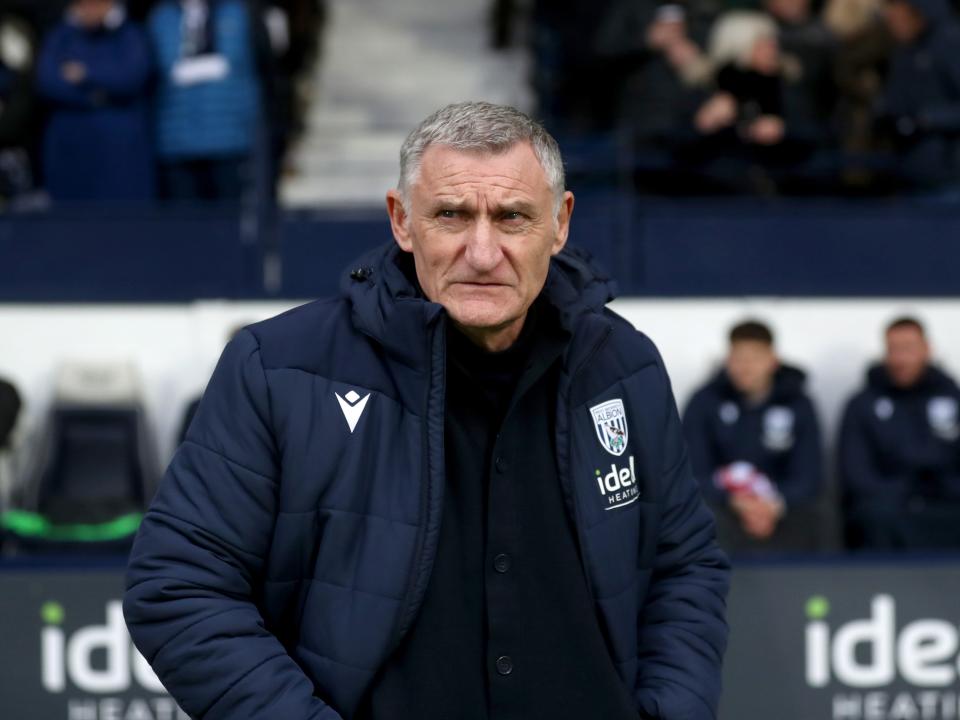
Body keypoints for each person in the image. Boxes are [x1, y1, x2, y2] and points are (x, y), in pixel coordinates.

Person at [124, 102, 729, 720]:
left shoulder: (625, 365)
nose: (483, 250)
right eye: (452, 215)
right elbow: (178, 586)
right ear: (402, 221)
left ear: (560, 222)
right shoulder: (278, 368)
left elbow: (684, 566)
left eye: (513, 217)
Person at [683, 320, 824, 554]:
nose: (745, 367)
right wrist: (734, 501)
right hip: (724, 505)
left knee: (811, 515)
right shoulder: (704, 402)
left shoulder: (799, 404)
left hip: (780, 508)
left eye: (754, 358)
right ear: (728, 360)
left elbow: (810, 475)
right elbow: (691, 471)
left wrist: (774, 505)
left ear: (773, 360)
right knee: (702, 515)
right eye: (738, 358)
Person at [839, 317, 960, 550]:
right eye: (893, 350)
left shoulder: (953, 399)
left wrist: (937, 490)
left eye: (908, 349)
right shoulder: (863, 404)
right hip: (889, 505)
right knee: (874, 515)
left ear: (927, 350)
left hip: (946, 501)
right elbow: (856, 473)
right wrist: (906, 493)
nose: (900, 359)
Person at [35, 0, 154, 202]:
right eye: (84, 4)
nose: (90, 9)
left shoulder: (131, 35)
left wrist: (86, 74)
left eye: (97, 3)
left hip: (120, 152)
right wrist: (101, 95)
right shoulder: (61, 36)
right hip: (71, 149)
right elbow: (47, 81)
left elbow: (131, 78)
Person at [147, 0, 263, 202]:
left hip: (229, 142)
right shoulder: (162, 18)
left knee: (227, 223)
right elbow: (167, 68)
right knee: (184, 225)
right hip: (176, 143)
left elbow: (241, 71)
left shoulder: (236, 13)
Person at [875, 0, 960, 194]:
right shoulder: (902, 51)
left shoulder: (950, 44)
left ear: (916, 14)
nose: (893, 25)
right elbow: (894, 98)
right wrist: (884, 115)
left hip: (949, 178)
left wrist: (925, 120)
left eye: (898, 18)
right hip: (907, 172)